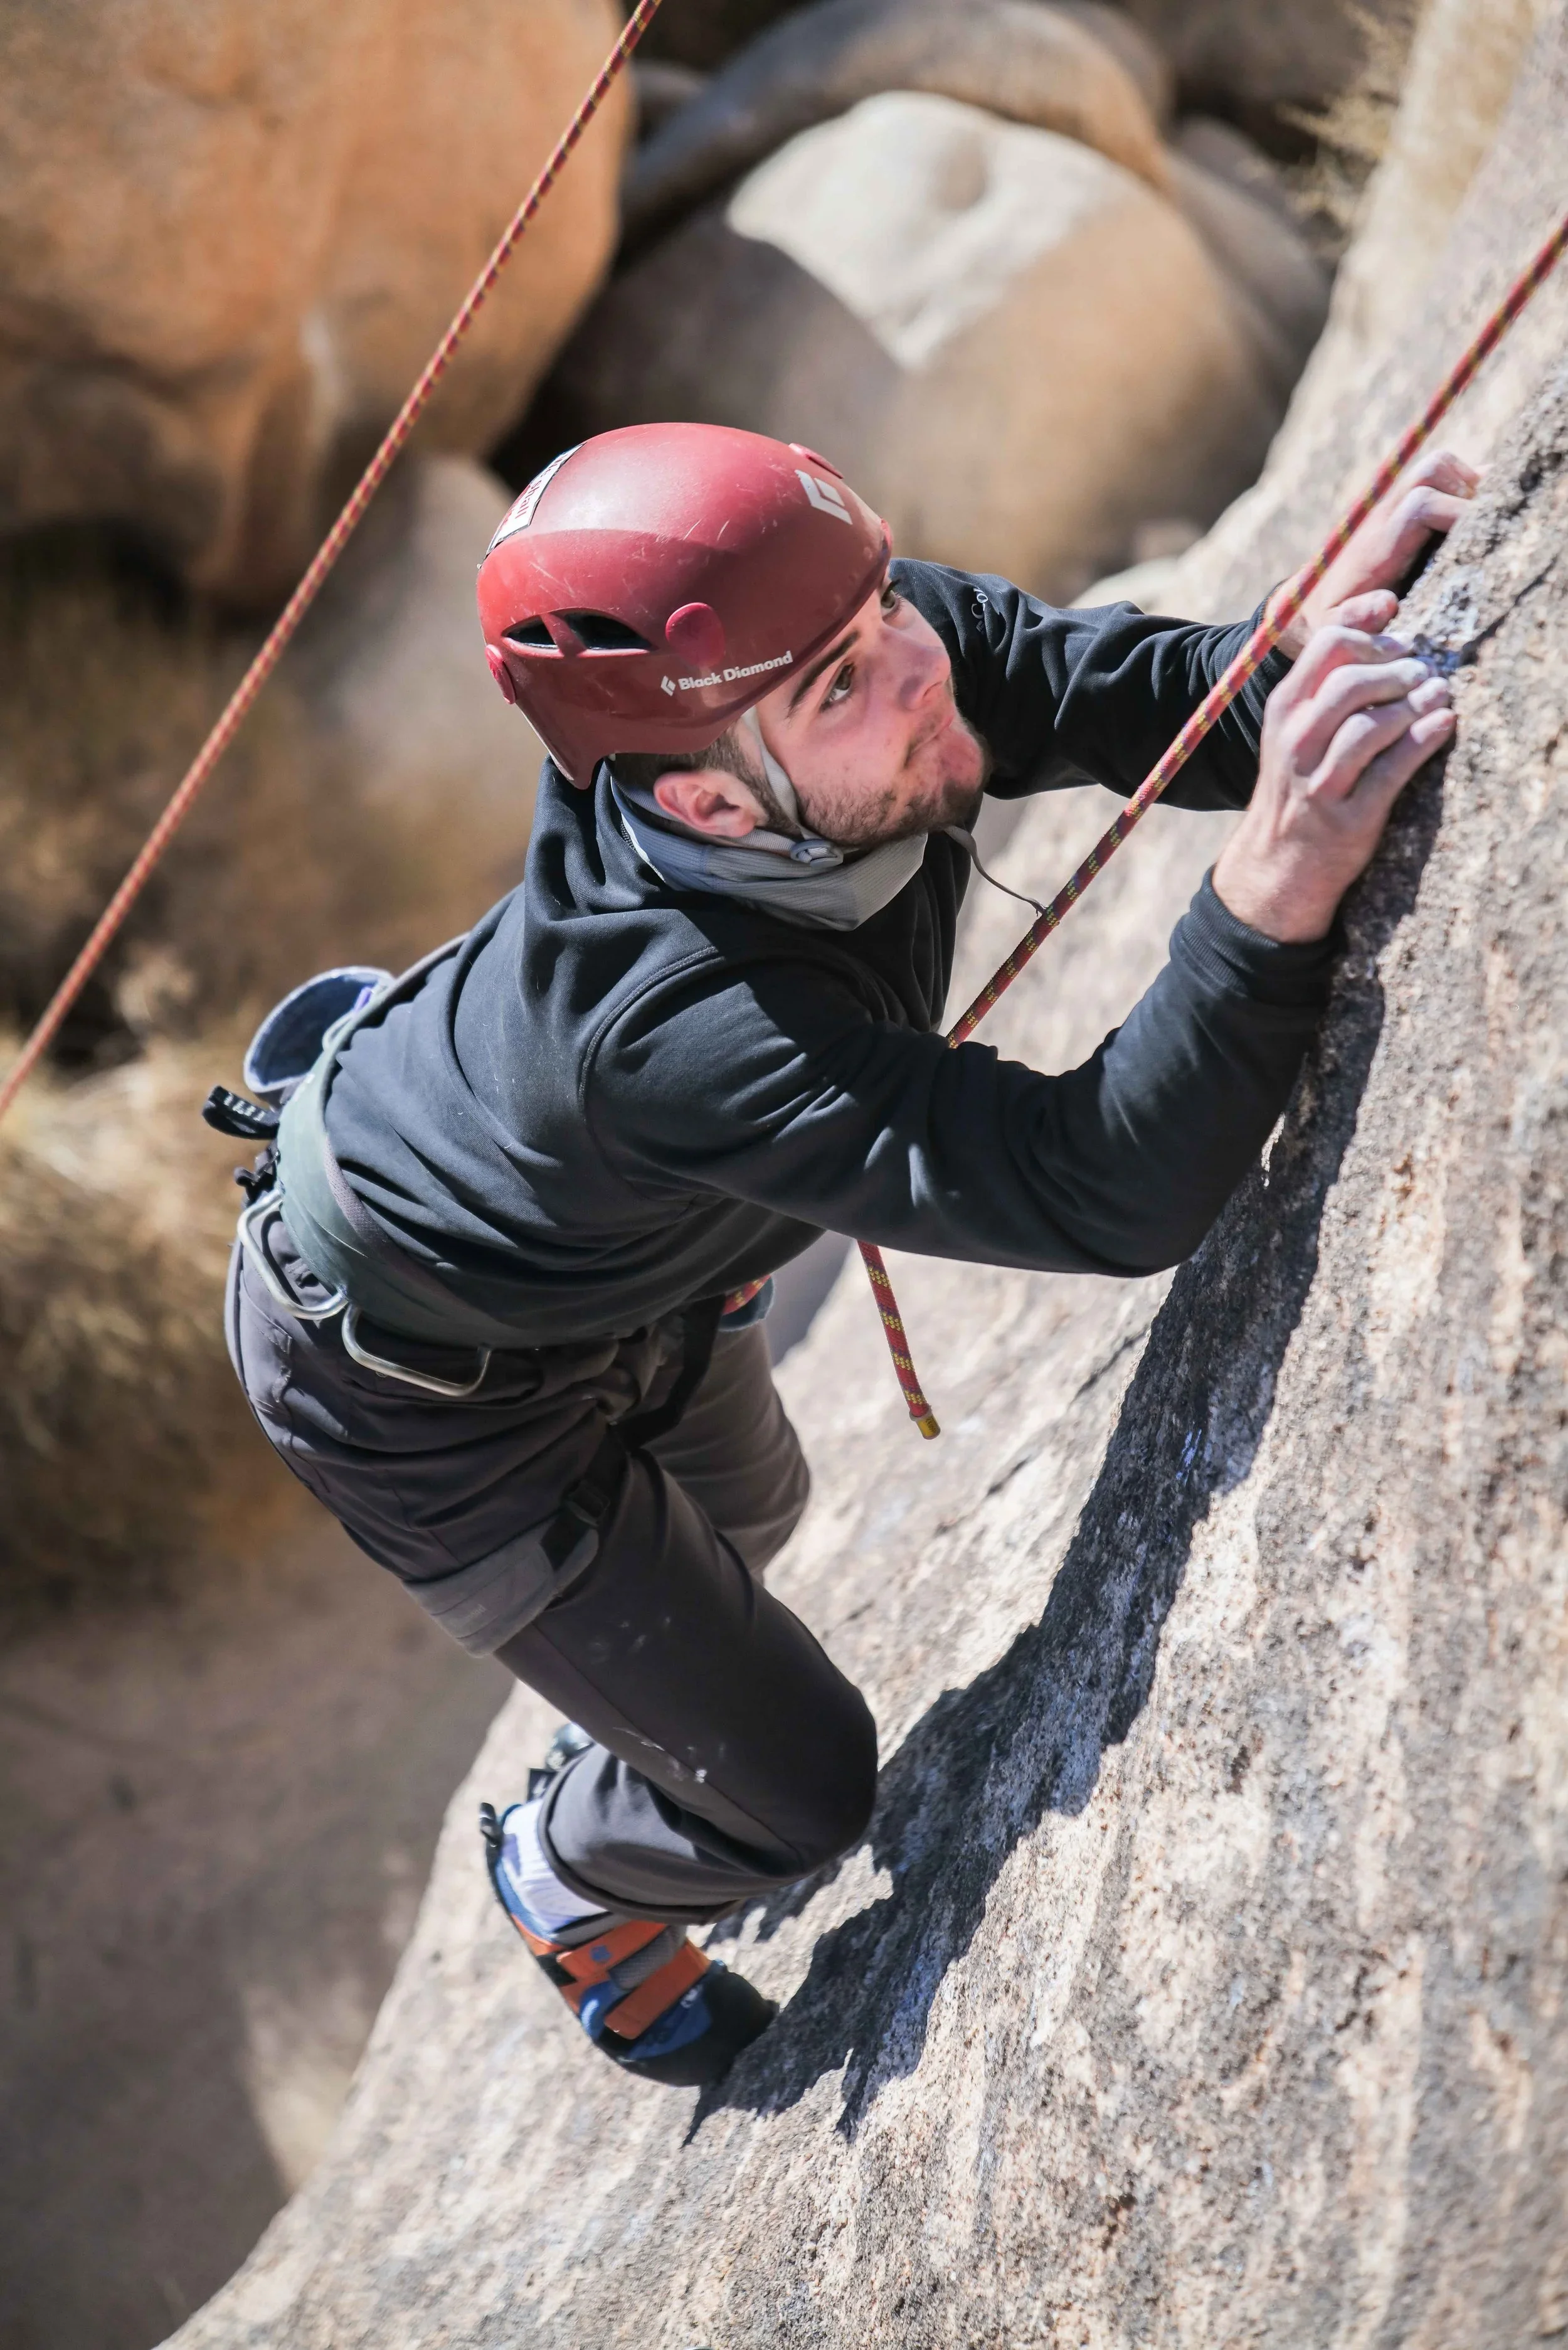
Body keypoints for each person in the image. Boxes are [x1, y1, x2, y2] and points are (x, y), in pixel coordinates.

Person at [222, 423, 1475, 2087]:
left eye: (887, 610)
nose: (912, 673)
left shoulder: (829, 646)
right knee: (796, 1798)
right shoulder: (674, 1029)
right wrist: (1270, 889)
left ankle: (646, 1442)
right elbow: (1100, 1188)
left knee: (751, 1514)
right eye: (839, 686)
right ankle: (572, 1871)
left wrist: (1299, 663)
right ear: (696, 795)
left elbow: (1100, 691)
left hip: (599, 1231)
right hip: (416, 1393)